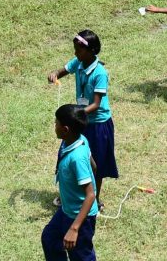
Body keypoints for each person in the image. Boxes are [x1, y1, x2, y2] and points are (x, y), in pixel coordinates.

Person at [47, 30, 117, 200]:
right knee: (71, 156)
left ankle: (95, 199)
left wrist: (75, 113)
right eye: (75, 50)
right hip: (80, 120)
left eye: (78, 51)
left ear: (91, 51)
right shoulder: (78, 62)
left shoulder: (100, 73)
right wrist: (55, 74)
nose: (75, 53)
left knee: (96, 163)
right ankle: (71, 195)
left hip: (98, 124)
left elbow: (95, 104)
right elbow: (64, 70)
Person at [43, 105, 99, 261]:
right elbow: (94, 167)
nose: (54, 126)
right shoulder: (79, 140)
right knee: (49, 239)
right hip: (67, 210)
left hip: (80, 218)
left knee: (80, 255)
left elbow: (90, 195)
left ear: (65, 129)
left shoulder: (76, 158)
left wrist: (74, 228)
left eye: (56, 123)